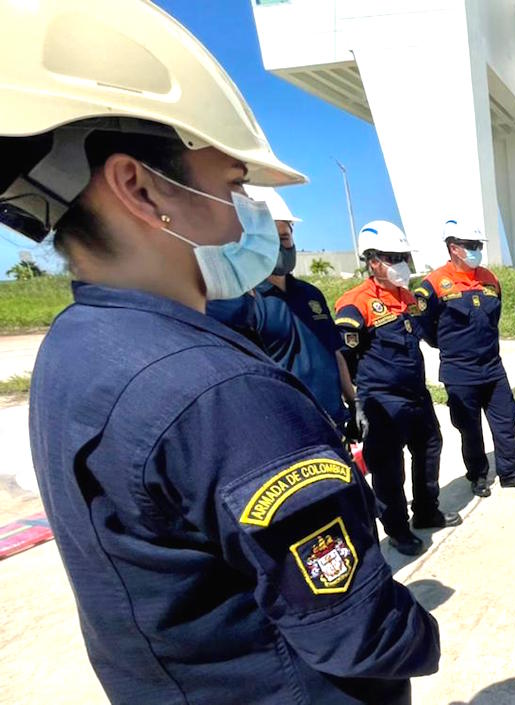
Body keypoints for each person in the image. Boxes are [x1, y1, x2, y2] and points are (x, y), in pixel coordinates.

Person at [13, 2, 439, 702]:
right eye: (234, 185)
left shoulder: (75, 344)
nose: (250, 216)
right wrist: (422, 635)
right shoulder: (219, 392)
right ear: (142, 188)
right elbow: (354, 628)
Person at [336, 221, 462, 556]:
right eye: (394, 257)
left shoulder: (407, 297)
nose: (401, 263)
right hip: (382, 401)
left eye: (403, 256)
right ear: (373, 261)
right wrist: (355, 403)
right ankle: (397, 529)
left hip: (416, 394)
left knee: (429, 449)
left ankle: (425, 511)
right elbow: (343, 356)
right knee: (389, 469)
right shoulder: (355, 303)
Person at [208, 185, 356, 439]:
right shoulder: (242, 304)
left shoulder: (311, 295)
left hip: (333, 423)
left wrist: (354, 401)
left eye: (285, 239)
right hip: (288, 431)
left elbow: (334, 352)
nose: (280, 247)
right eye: (270, 240)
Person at [413, 219, 515, 497]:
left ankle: (511, 472)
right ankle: (478, 476)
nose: (477, 250)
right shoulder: (433, 284)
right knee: (470, 429)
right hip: (459, 371)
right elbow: (423, 325)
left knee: (506, 421)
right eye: (471, 246)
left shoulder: (490, 279)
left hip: (493, 367)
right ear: (453, 248)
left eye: (479, 245)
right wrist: (449, 345)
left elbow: (493, 316)